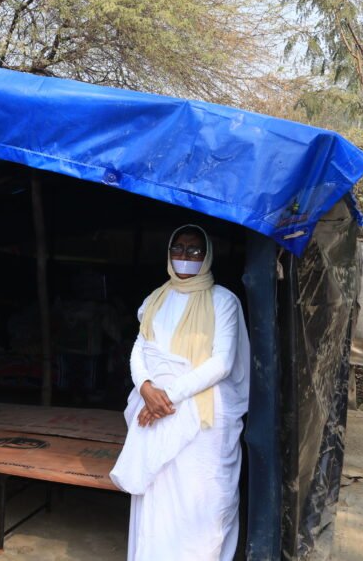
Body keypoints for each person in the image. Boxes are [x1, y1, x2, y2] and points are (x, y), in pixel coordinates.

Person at [109, 225, 250, 561]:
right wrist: (145, 387)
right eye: (179, 248)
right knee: (157, 496)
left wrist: (166, 396)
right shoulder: (155, 298)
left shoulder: (223, 301)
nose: (185, 256)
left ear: (207, 255)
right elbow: (140, 347)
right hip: (152, 409)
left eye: (194, 250)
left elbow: (222, 362)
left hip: (201, 417)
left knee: (201, 498)